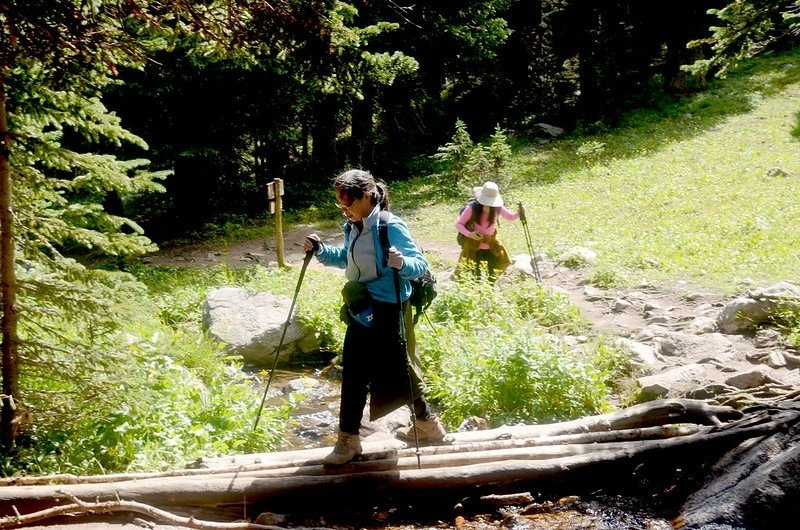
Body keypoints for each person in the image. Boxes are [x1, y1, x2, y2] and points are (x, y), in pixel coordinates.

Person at [304, 169, 450, 466]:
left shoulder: (389, 226)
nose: (343, 210)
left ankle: (427, 424)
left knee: (399, 370)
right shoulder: (353, 226)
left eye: (347, 203)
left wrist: (402, 262)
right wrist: (320, 250)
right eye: (340, 204)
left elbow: (419, 265)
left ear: (367, 196)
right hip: (361, 308)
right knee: (354, 372)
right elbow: (346, 257)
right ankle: (348, 440)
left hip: (387, 308)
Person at [455, 181, 521, 280]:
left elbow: (510, 217)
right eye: (485, 203)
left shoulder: (497, 208)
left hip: (491, 246)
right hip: (475, 247)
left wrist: (520, 213)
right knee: (476, 277)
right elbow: (459, 224)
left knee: (492, 275)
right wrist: (470, 234)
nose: (488, 207)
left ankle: (489, 292)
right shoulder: (472, 208)